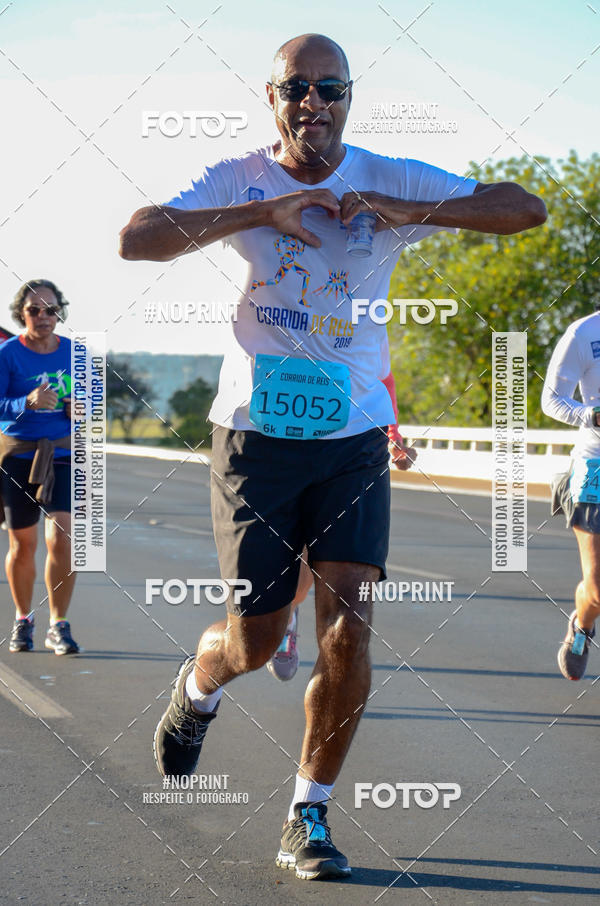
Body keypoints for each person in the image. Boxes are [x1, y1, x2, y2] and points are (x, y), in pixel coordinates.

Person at [120, 33, 546, 881]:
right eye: (297, 88)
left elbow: (524, 208)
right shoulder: (239, 175)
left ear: (350, 97)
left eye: (331, 88)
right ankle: (199, 687)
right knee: (255, 638)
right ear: (271, 96)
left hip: (353, 436)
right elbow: (137, 239)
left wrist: (407, 212)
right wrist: (257, 215)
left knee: (349, 620)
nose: (314, 101)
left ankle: (307, 814)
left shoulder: (391, 175)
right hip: (253, 438)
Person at [265, 367, 416, 682]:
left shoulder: (362, 321)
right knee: (289, 547)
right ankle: (288, 609)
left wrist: (393, 436)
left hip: (348, 449)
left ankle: (325, 666)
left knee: (320, 544)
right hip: (283, 438)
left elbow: (383, 377)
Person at [1, 280, 79, 655]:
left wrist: (79, 411)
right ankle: (22, 618)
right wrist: (25, 402)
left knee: (63, 536)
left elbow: (93, 405)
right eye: (35, 310)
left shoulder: (78, 354)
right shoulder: (7, 354)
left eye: (51, 309)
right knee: (23, 543)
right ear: (21, 314)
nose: (44, 316)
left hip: (62, 454)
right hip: (17, 455)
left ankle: (58, 624)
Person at [542, 309, 600, 680]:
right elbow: (552, 400)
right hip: (595, 467)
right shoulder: (584, 332)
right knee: (597, 589)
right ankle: (582, 623)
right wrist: (592, 416)